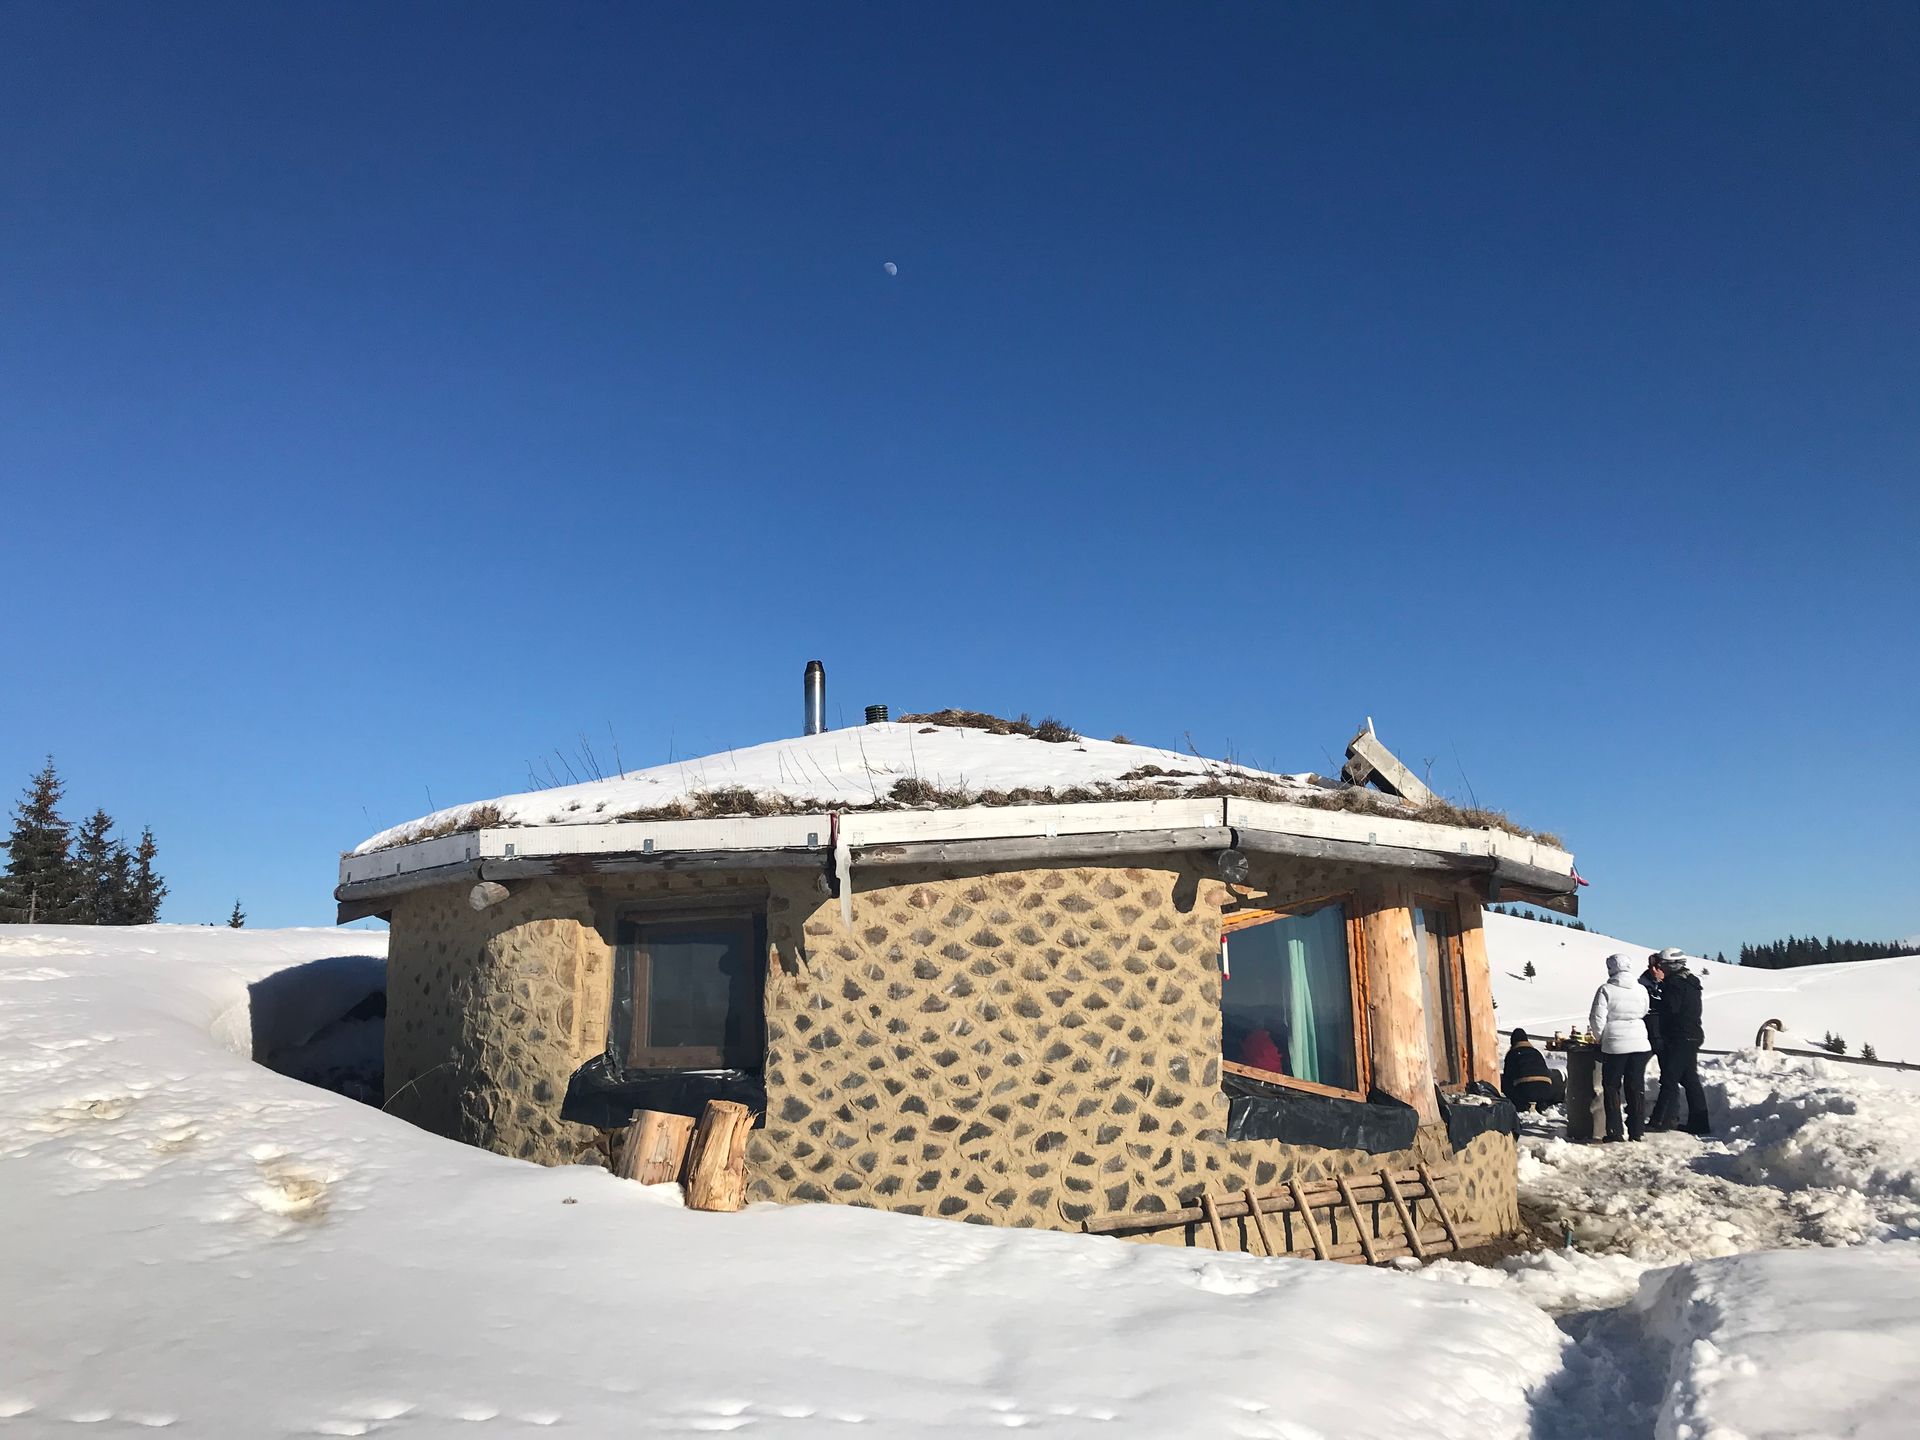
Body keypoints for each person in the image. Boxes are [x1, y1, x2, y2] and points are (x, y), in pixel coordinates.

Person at [1589, 953, 1653, 1142]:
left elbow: (1597, 1018)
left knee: (1611, 1086)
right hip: (1640, 1041)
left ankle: (1615, 1131)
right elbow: (1644, 1010)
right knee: (1636, 1087)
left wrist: (1601, 1038)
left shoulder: (1606, 989)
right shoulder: (1641, 989)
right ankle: (1637, 1130)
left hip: (1615, 1043)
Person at [1647, 948, 1712, 1135]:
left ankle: (1658, 1121)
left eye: (1662, 965)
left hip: (1680, 1036)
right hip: (1692, 1034)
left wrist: (1660, 985)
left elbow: (1671, 1009)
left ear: (1670, 965)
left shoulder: (1675, 984)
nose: (1659, 968)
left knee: (1669, 1078)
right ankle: (1700, 1123)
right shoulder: (1690, 981)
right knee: (1690, 1079)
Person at [1501, 1028, 1564, 1113]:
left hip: (1525, 1091)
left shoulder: (1512, 1054)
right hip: (1546, 1090)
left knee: (1504, 1081)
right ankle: (1541, 1104)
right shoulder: (1536, 1052)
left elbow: (1508, 1075)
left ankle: (1520, 1104)